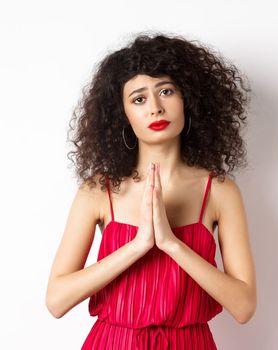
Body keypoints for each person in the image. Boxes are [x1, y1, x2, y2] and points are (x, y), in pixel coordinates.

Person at [44, 31, 257, 349]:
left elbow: (243, 307)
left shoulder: (220, 191)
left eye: (166, 91)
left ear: (188, 99)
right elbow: (57, 301)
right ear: (123, 115)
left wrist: (171, 244)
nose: (155, 107)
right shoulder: (97, 191)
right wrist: (138, 245)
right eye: (139, 99)